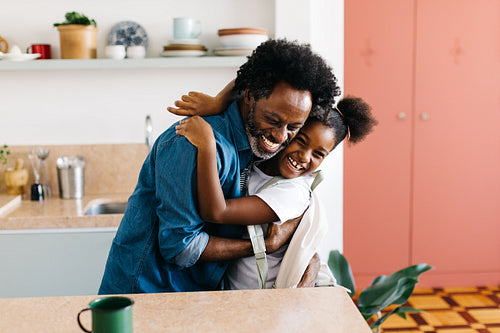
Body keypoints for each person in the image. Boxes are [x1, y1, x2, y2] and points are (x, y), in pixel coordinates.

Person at [98, 38, 341, 294]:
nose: (281, 137)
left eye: (294, 127)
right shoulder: (192, 144)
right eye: (273, 120)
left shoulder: (263, 142)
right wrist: (262, 246)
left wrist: (307, 257)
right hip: (146, 295)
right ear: (249, 96)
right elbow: (181, 248)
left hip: (200, 297)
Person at [174, 96, 377, 289]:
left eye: (318, 154)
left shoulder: (292, 193)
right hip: (229, 287)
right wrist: (218, 101)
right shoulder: (261, 157)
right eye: (302, 141)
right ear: (292, 130)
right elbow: (250, 83)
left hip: (260, 295)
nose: (304, 157)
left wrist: (207, 144)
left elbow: (218, 212)